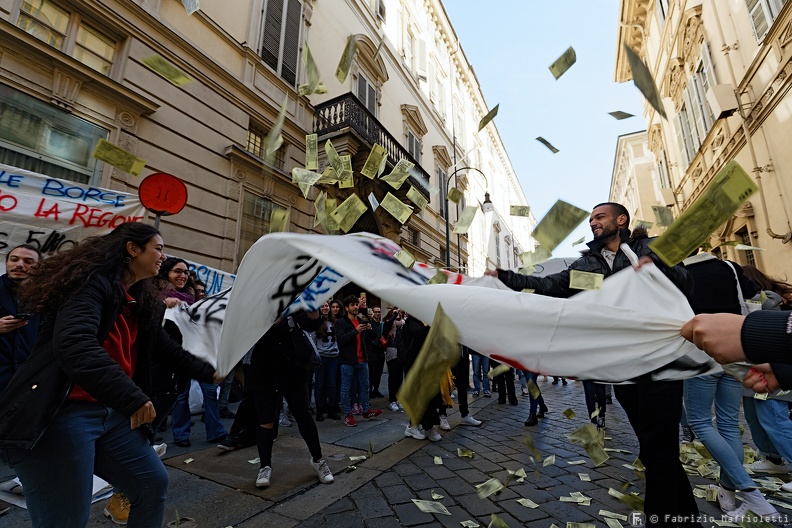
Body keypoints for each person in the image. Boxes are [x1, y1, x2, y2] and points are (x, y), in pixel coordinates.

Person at [486, 202, 699, 527]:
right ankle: (681, 516)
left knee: (659, 447)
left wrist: (657, 267)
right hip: (622, 365)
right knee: (653, 447)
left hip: (660, 358)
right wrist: (504, 277)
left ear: (620, 219)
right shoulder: (592, 266)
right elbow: (550, 286)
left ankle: (667, 518)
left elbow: (687, 283)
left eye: (599, 217)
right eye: (590, 220)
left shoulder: (651, 246)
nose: (593, 224)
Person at [0, 223, 220, 528]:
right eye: (158, 248)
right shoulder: (89, 284)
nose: (163, 256)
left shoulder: (141, 299)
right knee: (64, 520)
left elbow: (165, 348)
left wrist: (211, 373)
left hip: (112, 414)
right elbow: (75, 344)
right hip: (61, 414)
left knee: (151, 484)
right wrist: (132, 398)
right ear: (132, 249)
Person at [680, 250, 777, 520]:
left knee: (699, 422)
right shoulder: (729, 266)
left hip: (700, 355)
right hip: (736, 352)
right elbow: (752, 290)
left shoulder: (679, 274)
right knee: (728, 424)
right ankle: (727, 491)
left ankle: (750, 493)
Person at [246, 310, 334, 489]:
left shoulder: (292, 301)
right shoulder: (256, 300)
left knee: (303, 415)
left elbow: (311, 325)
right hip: (264, 369)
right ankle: (265, 466)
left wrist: (313, 314)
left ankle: (318, 459)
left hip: (293, 368)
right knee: (266, 420)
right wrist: (269, 321)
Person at [162, 257, 227, 448]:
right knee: (181, 395)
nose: (183, 276)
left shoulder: (191, 298)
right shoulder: (159, 297)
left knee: (210, 392)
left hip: (198, 355)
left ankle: (216, 431)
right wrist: (164, 305)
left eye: (185, 272)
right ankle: (181, 435)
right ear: (167, 273)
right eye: (177, 271)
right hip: (176, 356)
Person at [335, 295, 382, 426]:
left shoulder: (361, 319)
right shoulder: (341, 322)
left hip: (363, 359)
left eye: (356, 304)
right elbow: (341, 340)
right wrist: (355, 331)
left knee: (365, 387)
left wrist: (370, 328)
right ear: (346, 308)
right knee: (346, 389)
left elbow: (374, 336)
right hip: (348, 361)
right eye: (352, 305)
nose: (355, 307)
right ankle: (348, 414)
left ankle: (366, 410)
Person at [0, 244, 41, 395]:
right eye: (14, 259)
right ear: (6, 263)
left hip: (27, 379)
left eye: (28, 261)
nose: (19, 265)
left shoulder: (45, 296)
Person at [310, 301, 340, 421]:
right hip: (321, 357)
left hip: (333, 357)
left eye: (326, 306)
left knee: (332, 384)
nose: (325, 308)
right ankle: (320, 409)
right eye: (322, 306)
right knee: (320, 384)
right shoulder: (316, 323)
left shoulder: (335, 322)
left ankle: (332, 408)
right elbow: (312, 341)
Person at [368, 305, 386, 399]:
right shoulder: (370, 323)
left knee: (379, 372)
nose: (377, 314)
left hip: (380, 350)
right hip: (372, 351)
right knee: (372, 372)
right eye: (375, 312)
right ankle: (370, 389)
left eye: (379, 312)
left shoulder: (382, 324)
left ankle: (376, 389)